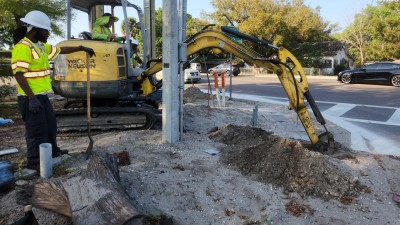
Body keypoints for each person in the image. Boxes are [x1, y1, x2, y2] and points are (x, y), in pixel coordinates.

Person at [11, 10, 96, 171]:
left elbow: (60, 51)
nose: (48, 33)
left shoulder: (40, 46)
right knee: (36, 131)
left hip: (41, 96)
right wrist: (31, 98)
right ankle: (35, 163)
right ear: (35, 29)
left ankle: (53, 153)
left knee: (50, 126)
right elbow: (19, 75)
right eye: (45, 30)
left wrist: (81, 47)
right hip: (30, 98)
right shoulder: (23, 48)